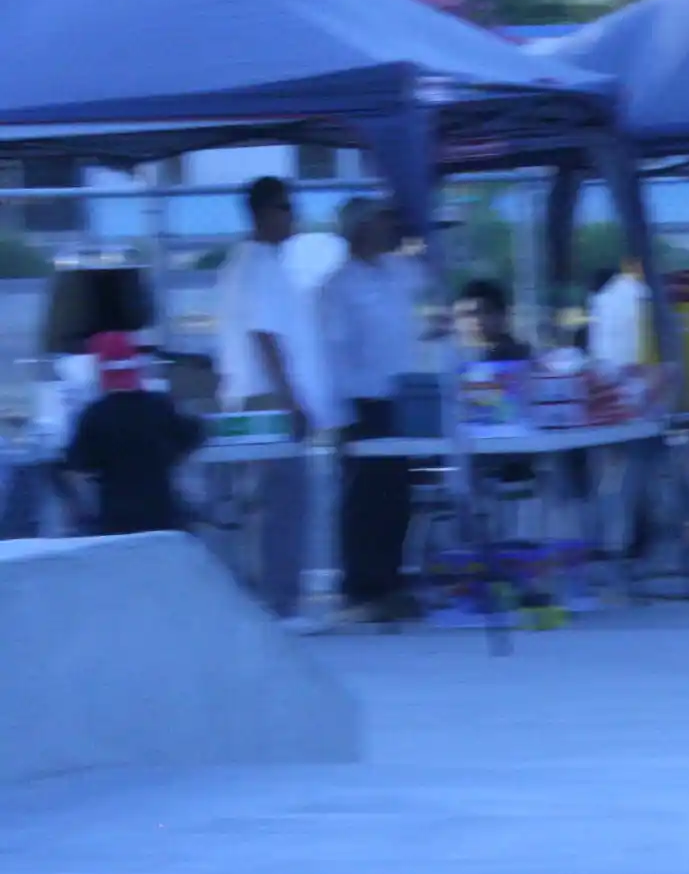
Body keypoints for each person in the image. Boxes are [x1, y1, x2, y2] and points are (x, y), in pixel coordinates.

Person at [214, 175, 334, 628]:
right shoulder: (259, 262)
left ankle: (271, 600)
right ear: (264, 212)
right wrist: (292, 401)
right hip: (267, 402)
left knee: (266, 506)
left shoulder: (247, 263)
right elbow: (264, 336)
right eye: (286, 207)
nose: (293, 217)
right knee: (284, 504)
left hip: (255, 400)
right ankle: (281, 603)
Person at [320, 198, 424, 624]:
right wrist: (339, 417)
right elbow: (334, 354)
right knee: (364, 497)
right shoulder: (338, 286)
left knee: (398, 495)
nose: (389, 228)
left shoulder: (397, 273)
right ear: (362, 229)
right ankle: (361, 586)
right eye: (382, 221)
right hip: (361, 403)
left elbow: (427, 290)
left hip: (402, 396)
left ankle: (392, 580)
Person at [61, 332, 204, 536]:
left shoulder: (94, 415)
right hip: (162, 514)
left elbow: (78, 464)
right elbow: (193, 435)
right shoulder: (159, 406)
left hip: (116, 520)